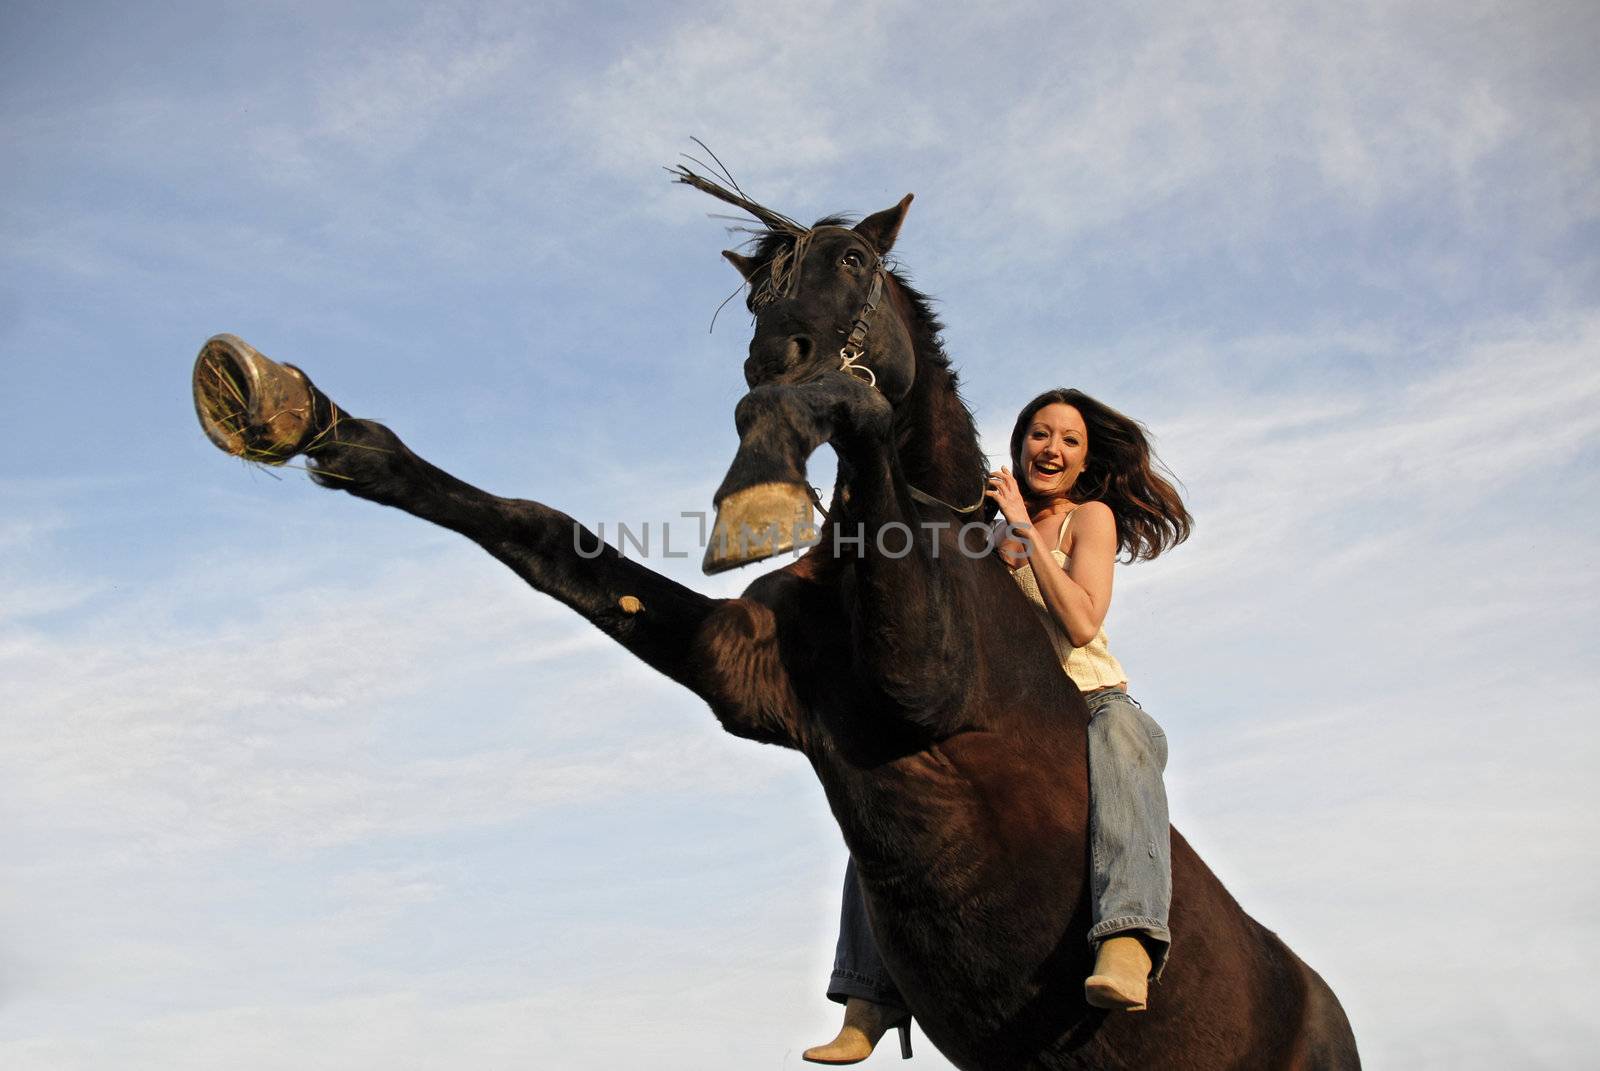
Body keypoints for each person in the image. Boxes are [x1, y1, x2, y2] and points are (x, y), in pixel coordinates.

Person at [802, 388, 1192, 1064]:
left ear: (1083, 461)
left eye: (1069, 441)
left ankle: (1128, 936)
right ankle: (868, 995)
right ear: (1019, 445)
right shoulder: (982, 529)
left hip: (1089, 701)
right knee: (893, 791)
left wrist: (1023, 534)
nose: (1053, 449)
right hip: (1004, 713)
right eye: (1041, 434)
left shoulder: (1086, 518)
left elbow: (1081, 621)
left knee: (1126, 739)